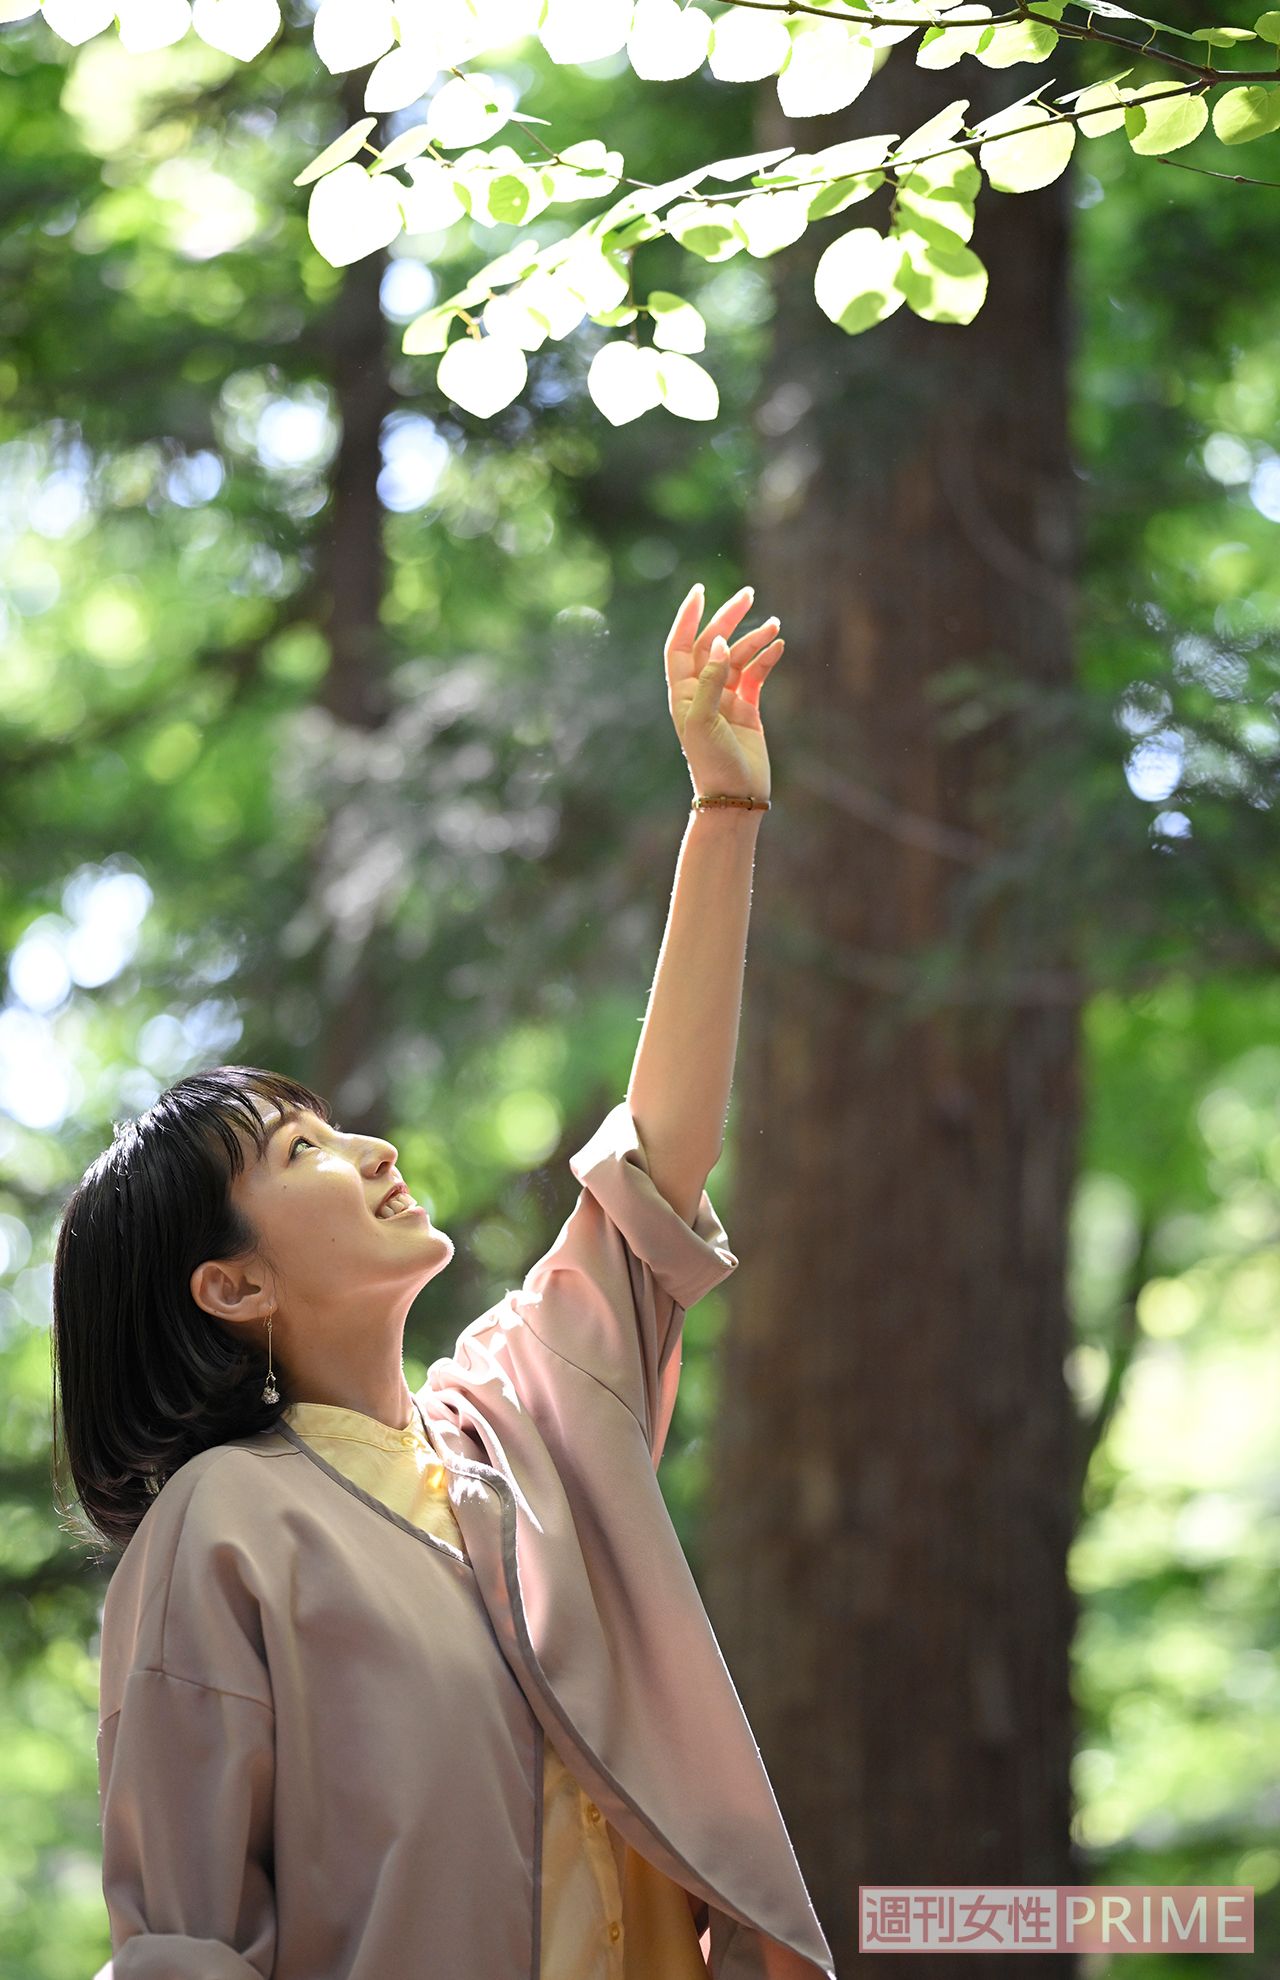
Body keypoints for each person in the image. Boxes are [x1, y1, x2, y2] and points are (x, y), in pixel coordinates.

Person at [53, 583, 836, 1979]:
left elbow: (652, 1161)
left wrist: (725, 813)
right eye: (302, 1150)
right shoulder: (221, 1528)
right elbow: (182, 1945)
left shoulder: (522, 1422)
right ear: (229, 1287)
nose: (372, 1151)